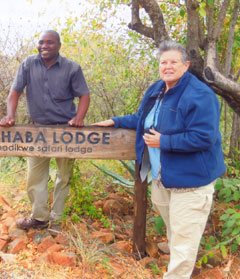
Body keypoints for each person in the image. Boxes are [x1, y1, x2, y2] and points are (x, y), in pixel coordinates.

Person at [92, 41, 225, 279]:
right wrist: (115, 121)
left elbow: (204, 137)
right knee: (177, 232)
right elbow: (141, 117)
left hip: (191, 181)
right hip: (162, 177)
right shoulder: (156, 89)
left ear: (186, 65)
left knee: (184, 240)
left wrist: (164, 142)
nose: (168, 66)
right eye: (163, 62)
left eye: (174, 61)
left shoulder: (200, 94)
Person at [0, 30, 90, 235]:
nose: (44, 46)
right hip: (38, 129)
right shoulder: (28, 64)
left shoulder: (72, 68)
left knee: (63, 176)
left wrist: (79, 117)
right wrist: (10, 115)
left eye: (50, 42)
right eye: (41, 42)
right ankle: (39, 218)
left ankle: (57, 219)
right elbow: (14, 92)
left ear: (59, 45)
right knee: (35, 176)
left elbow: (84, 95)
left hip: (66, 130)